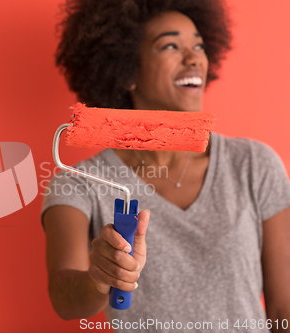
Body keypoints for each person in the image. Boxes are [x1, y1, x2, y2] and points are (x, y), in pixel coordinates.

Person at [41, 1, 290, 332]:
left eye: (199, 45)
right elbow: (64, 299)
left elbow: (283, 306)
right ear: (127, 70)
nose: (194, 58)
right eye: (171, 45)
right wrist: (99, 278)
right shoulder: (79, 183)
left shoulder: (254, 164)